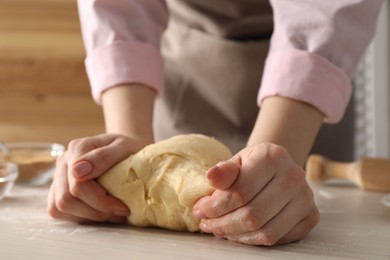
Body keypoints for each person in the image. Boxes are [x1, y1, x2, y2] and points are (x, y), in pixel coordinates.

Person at [47, 0, 383, 246]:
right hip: (183, 61)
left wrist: (273, 167)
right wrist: (129, 156)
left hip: (311, 82)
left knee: (278, 207)